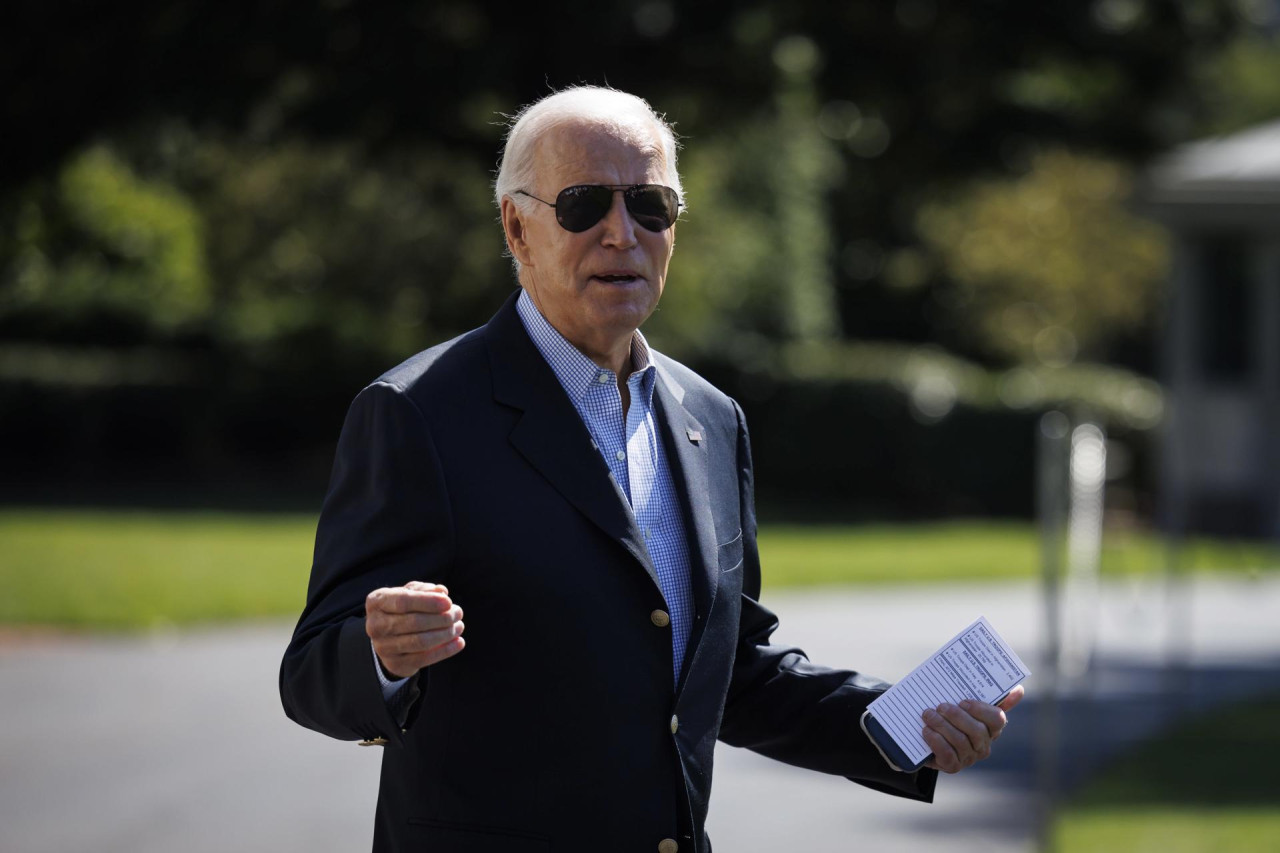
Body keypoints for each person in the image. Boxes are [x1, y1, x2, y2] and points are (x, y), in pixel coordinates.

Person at [279, 85, 1023, 853]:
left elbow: (732, 674)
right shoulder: (419, 411)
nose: (620, 233)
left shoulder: (711, 417)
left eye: (650, 205)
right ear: (517, 228)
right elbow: (311, 676)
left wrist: (903, 724)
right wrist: (382, 653)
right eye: (583, 204)